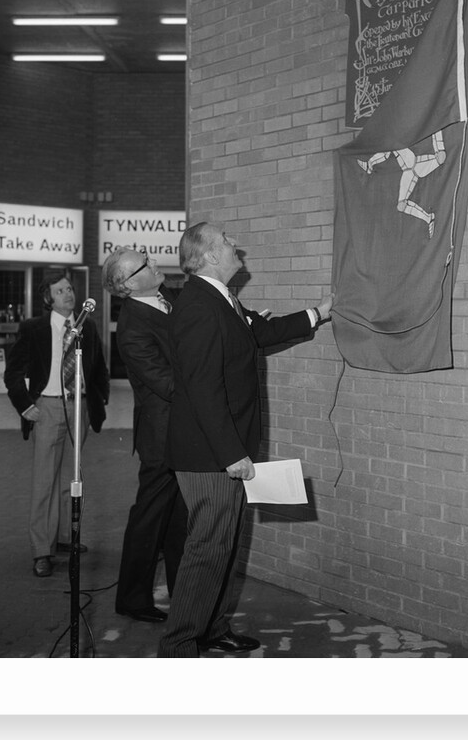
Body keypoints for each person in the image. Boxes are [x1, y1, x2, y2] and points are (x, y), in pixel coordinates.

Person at [157, 222, 333, 658]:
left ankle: (212, 629)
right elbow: (202, 388)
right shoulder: (199, 305)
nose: (238, 246)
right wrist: (231, 454)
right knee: (207, 549)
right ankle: (178, 648)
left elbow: (257, 333)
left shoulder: (222, 300)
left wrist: (319, 312)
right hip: (210, 455)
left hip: (220, 450)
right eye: (228, 242)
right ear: (211, 256)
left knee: (224, 545)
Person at [3, 271, 110, 578]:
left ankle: (64, 538)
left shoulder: (86, 326)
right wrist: (25, 406)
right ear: (48, 298)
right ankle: (42, 550)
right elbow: (13, 373)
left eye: (69, 289)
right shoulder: (34, 328)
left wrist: (97, 402)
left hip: (79, 407)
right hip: (47, 409)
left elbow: (99, 369)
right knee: (44, 483)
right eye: (60, 291)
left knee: (70, 479)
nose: (68, 294)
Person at [102, 246, 188, 623]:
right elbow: (167, 384)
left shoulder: (169, 297)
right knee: (149, 519)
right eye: (146, 263)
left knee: (176, 519)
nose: (155, 263)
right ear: (126, 283)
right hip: (161, 436)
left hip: (182, 432)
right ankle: (133, 599)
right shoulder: (133, 327)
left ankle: (182, 594)